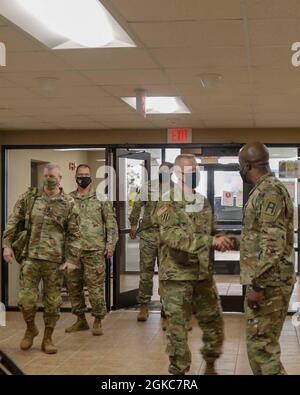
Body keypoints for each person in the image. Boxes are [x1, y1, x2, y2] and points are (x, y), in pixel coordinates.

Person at [154, 154, 233, 375]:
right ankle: (179, 372)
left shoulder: (202, 201)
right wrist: (210, 241)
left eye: (196, 169)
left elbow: (211, 229)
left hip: (203, 276)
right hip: (177, 277)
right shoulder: (167, 201)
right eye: (191, 170)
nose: (195, 173)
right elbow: (173, 237)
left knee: (214, 324)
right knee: (177, 331)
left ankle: (210, 365)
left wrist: (221, 238)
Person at [2, 163, 81, 354]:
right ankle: (31, 328)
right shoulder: (30, 197)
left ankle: (48, 337)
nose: (49, 179)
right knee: (25, 300)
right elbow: (13, 220)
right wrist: (6, 245)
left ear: (61, 178)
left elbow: (75, 234)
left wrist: (72, 259)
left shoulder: (68, 203)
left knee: (52, 303)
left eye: (53, 176)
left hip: (55, 262)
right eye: (46, 176)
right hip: (30, 258)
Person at [235, 142, 295, 375]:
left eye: (241, 166)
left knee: (263, 351)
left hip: (270, 284)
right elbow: (262, 235)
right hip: (268, 280)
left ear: (247, 165)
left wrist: (259, 284)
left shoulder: (269, 191)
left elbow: (273, 245)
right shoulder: (264, 189)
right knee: (258, 348)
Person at [65, 164, 119, 336]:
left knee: (95, 288)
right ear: (75, 177)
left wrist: (110, 245)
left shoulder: (101, 198)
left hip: (94, 251)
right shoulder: (68, 199)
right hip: (73, 253)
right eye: (80, 174)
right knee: (74, 287)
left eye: (86, 174)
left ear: (91, 177)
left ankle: (97, 319)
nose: (83, 177)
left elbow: (111, 224)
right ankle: (80, 320)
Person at [129, 162, 174, 322]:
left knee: (166, 274)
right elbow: (137, 206)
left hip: (166, 238)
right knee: (146, 272)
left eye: (166, 171)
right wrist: (133, 224)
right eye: (161, 171)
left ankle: (165, 305)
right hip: (148, 235)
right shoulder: (148, 187)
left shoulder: (177, 190)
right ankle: (143, 307)